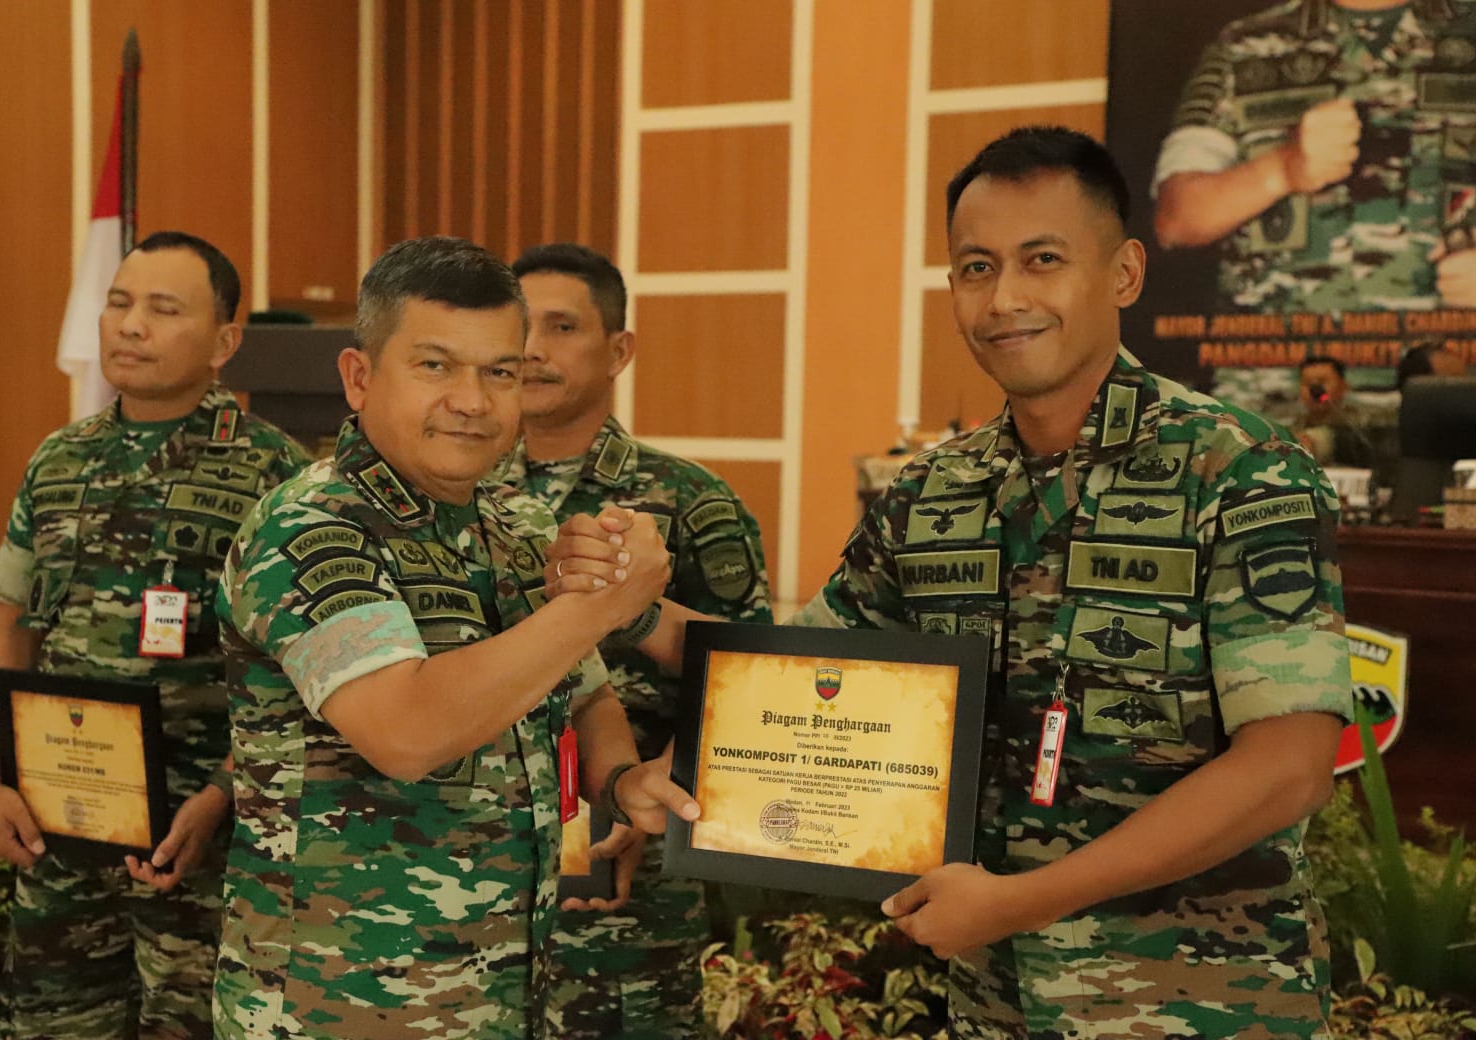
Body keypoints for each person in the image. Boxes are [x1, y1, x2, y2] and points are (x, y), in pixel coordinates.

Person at [550, 127, 1353, 1038]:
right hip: (992, 1003)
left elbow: (1287, 769)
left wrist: (1025, 899)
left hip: (1203, 1006)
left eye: (1042, 260)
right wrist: (627, 607)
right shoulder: (933, 492)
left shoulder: (1239, 472)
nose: (1005, 298)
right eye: (977, 268)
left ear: (1124, 274)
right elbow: (801, 673)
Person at [212, 236, 700, 1040]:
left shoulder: (515, 522)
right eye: (435, 366)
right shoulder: (310, 527)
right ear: (359, 377)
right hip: (338, 1008)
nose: (472, 401)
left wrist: (620, 783)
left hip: (500, 995)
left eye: (500, 372)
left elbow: (584, 695)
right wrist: (602, 605)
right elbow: (405, 731)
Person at [0, 231, 312, 1039]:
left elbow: (300, 674)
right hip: (57, 826)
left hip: (201, 841)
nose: (130, 325)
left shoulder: (274, 474)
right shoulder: (60, 460)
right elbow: (10, 628)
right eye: (118, 303)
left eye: (163, 308)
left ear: (224, 342)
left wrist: (221, 794)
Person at [491, 243, 773, 1038]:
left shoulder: (688, 501)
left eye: (562, 327)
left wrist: (650, 798)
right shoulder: (461, 492)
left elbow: (751, 679)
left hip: (629, 874)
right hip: (480, 870)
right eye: (519, 328)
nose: (533, 349)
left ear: (618, 350)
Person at [1151, 0, 1476, 411]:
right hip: (1275, 404)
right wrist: (1282, 169)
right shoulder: (1245, 47)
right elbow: (1177, 216)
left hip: (1445, 402)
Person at [1287, 354, 1380, 467]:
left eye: (1322, 382)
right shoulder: (1295, 426)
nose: (1315, 390)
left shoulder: (1361, 422)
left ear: (1343, 386)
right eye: (1308, 383)